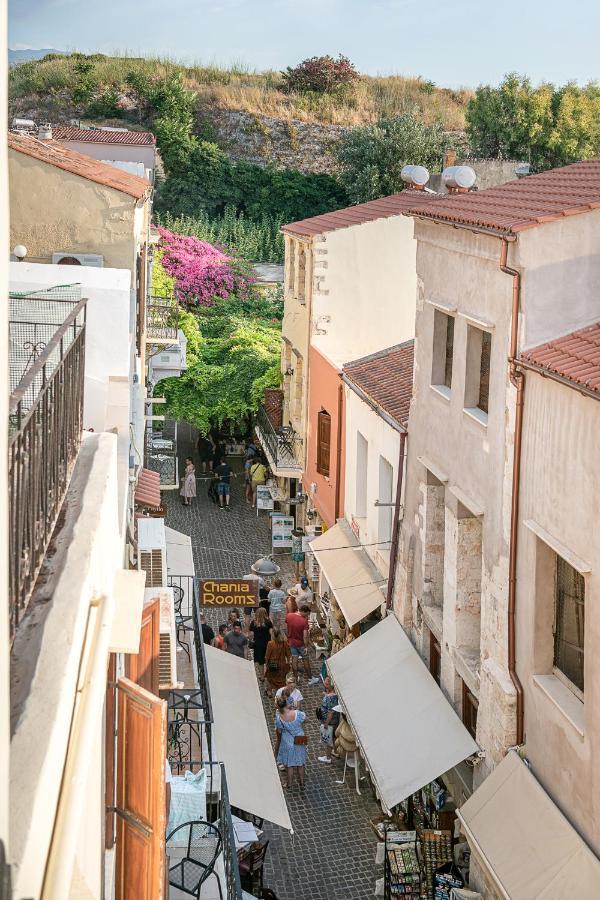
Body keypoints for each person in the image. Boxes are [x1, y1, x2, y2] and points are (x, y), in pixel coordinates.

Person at [275, 698, 307, 790]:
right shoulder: (297, 713)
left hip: (287, 741)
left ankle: (289, 784)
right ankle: (302, 783)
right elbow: (305, 720)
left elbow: (280, 731)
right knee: (300, 763)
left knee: (289, 765)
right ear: (286, 704)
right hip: (300, 738)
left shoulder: (279, 718)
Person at [317, 676, 340, 763]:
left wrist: (326, 723)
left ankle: (328, 757)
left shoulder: (330, 697)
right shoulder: (332, 695)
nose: (325, 683)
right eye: (325, 681)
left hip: (330, 722)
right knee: (333, 737)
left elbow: (331, 712)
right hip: (335, 721)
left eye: (327, 683)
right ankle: (336, 751)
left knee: (328, 740)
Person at [285, 605, 311, 680]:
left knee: (294, 659)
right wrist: (306, 646)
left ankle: (295, 677)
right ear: (303, 611)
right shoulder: (304, 621)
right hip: (301, 644)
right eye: (306, 614)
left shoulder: (289, 615)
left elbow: (287, 627)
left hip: (291, 642)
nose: (307, 616)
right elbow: (305, 636)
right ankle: (310, 677)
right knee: (305, 659)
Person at [263, 627, 291, 697]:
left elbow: (267, 656)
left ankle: (269, 692)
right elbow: (288, 655)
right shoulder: (285, 643)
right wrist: (288, 664)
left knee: (270, 679)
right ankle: (280, 694)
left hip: (272, 665)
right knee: (281, 680)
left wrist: (266, 665)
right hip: (282, 665)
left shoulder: (270, 643)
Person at [249, 607, 273, 681]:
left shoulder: (254, 622)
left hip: (258, 645)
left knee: (260, 661)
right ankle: (269, 675)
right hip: (267, 644)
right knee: (268, 660)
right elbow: (271, 633)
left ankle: (262, 677)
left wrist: (251, 640)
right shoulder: (268, 622)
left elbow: (251, 634)